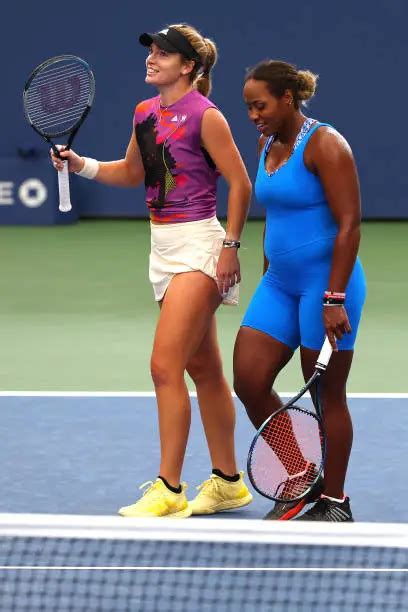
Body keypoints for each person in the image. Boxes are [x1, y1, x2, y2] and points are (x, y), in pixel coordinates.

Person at [51, 24, 253, 518]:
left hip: (199, 248)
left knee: (164, 366)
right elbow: (132, 172)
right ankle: (228, 483)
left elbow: (241, 182)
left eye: (164, 54)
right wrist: (80, 165)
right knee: (203, 368)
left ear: (188, 67)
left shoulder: (207, 117)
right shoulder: (145, 112)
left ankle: (169, 488)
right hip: (161, 248)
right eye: (152, 52)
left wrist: (229, 246)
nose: (152, 58)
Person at [233, 60, 366, 522]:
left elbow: (350, 225)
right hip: (280, 283)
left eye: (260, 105)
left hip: (327, 286)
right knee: (249, 380)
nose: (253, 115)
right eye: (248, 107)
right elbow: (277, 214)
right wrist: (270, 268)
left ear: (287, 97)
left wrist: (334, 298)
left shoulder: (326, 144)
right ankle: (300, 477)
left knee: (326, 393)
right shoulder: (265, 141)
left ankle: (335, 500)